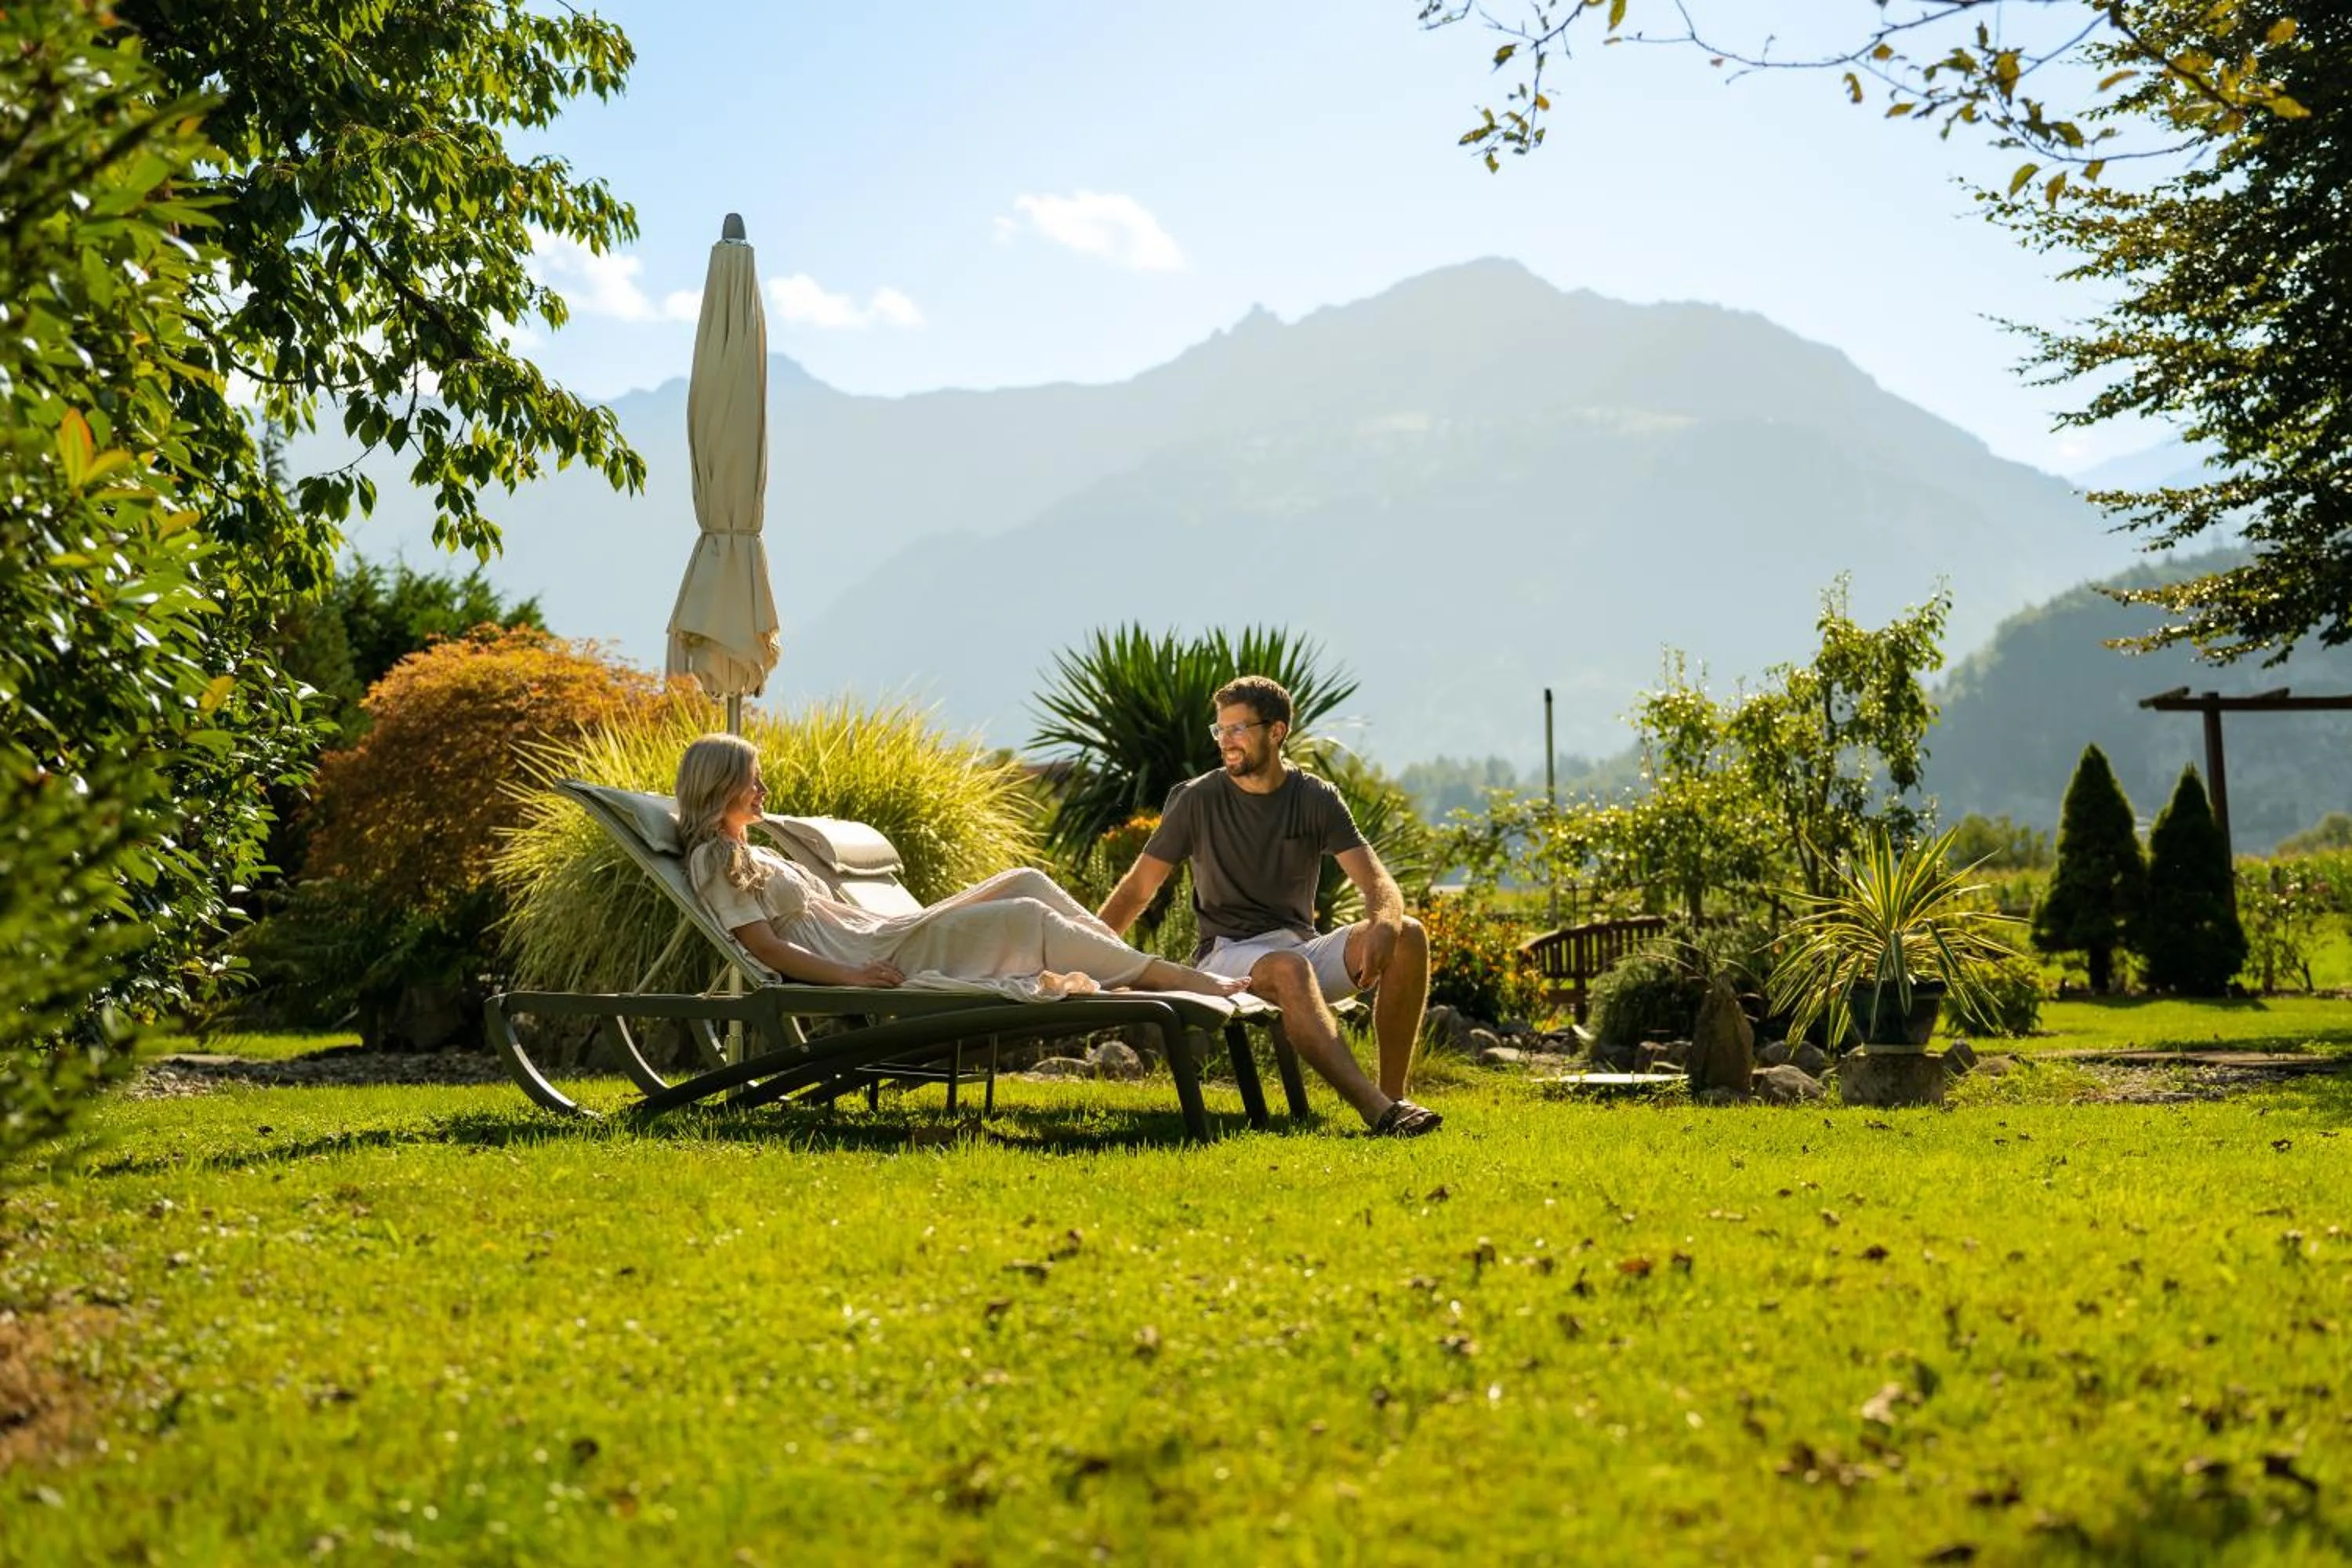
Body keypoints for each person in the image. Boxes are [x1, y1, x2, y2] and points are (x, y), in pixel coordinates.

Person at [1096, 676, 1441, 1137]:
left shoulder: (1315, 797)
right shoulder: (1197, 799)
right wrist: (1090, 953)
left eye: (1238, 729)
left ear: (1276, 732)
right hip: (1227, 955)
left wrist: (1384, 922)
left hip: (1300, 948)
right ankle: (1376, 1111)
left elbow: (1377, 880)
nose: (1226, 742)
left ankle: (1396, 1098)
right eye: (1220, 731)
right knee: (1288, 968)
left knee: (1409, 934)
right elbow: (1138, 889)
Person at [675, 733, 1247, 1000]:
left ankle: (1126, 972)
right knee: (1025, 916)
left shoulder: (755, 850)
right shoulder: (715, 858)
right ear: (720, 784)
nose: (764, 789)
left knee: (1026, 880)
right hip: (869, 957)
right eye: (753, 781)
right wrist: (853, 977)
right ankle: (1172, 979)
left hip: (881, 935)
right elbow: (766, 948)